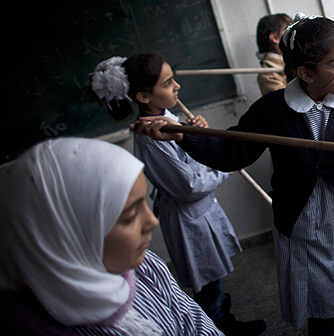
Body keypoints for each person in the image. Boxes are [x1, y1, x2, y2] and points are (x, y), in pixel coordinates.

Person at [133, 15, 334, 336]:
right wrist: (183, 135)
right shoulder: (271, 109)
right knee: (325, 316)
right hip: (305, 222)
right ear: (305, 72)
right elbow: (231, 151)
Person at [89, 54, 265, 336]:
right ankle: (214, 326)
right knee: (206, 284)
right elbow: (188, 186)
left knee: (213, 276)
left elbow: (190, 157)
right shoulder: (151, 136)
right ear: (144, 95)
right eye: (168, 82)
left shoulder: (166, 116)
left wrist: (197, 136)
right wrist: (224, 169)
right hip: (188, 217)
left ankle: (225, 321)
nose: (177, 87)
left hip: (202, 212)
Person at [0, 137, 223, 335]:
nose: (152, 222)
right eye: (128, 217)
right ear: (67, 235)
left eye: (144, 204)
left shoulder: (144, 266)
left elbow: (193, 321)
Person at [256, 13, 293, 95]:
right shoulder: (267, 75)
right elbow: (285, 102)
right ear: (275, 38)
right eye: (287, 29)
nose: (294, 33)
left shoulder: (298, 58)